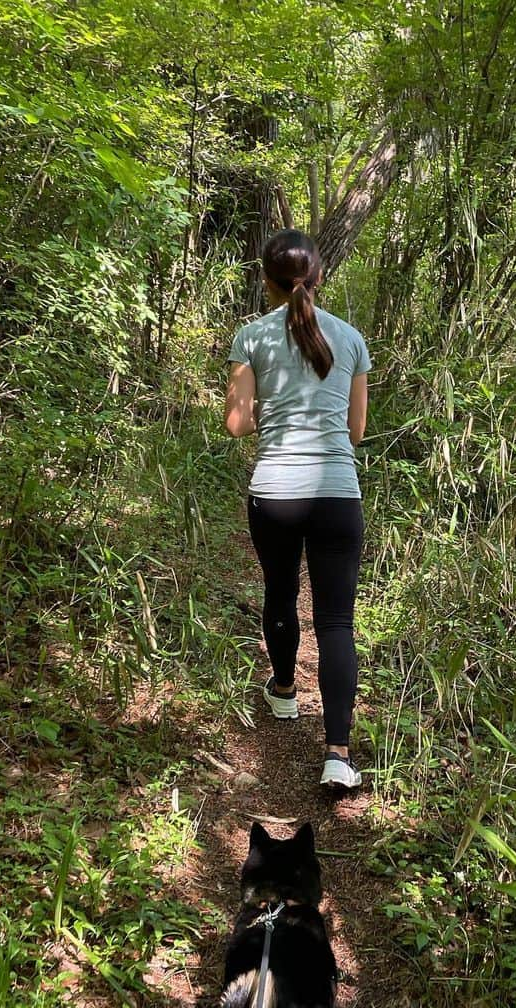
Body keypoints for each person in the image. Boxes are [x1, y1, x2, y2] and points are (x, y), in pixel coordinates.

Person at [224, 229, 370, 789]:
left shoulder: (252, 337)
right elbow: (355, 432)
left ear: (267, 281)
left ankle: (284, 690)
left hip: (276, 492)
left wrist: (268, 413)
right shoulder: (351, 339)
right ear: (319, 277)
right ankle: (338, 753)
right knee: (336, 621)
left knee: (281, 591)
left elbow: (237, 424)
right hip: (337, 491)